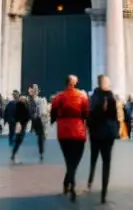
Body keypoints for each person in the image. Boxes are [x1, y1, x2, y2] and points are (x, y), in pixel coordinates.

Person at [50, 74, 90, 201]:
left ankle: (67, 183)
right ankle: (71, 185)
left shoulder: (59, 97)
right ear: (75, 83)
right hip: (78, 131)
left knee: (69, 160)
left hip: (63, 131)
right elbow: (86, 114)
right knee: (75, 160)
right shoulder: (82, 96)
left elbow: (53, 115)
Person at [86, 75, 119, 203]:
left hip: (106, 134)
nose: (108, 84)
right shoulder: (95, 98)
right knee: (95, 159)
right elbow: (91, 115)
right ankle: (91, 181)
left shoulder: (109, 97)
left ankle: (103, 192)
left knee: (105, 162)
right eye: (107, 82)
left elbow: (114, 115)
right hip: (98, 133)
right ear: (101, 83)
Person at [10, 91, 31, 164]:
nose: (24, 99)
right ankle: (14, 154)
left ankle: (14, 154)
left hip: (22, 124)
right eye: (23, 98)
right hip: (20, 124)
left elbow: (27, 114)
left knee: (19, 139)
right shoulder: (19, 105)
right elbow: (18, 115)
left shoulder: (23, 104)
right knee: (19, 139)